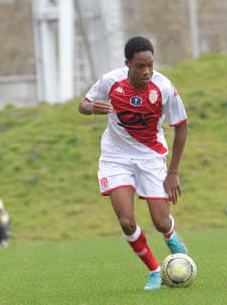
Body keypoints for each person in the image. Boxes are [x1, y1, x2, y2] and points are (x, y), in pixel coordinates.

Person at [79, 36, 189, 290]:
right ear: (127, 63)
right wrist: (91, 108)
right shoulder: (111, 81)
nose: (147, 71)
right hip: (116, 158)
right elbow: (82, 104)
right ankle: (154, 271)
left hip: (151, 158)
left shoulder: (164, 88)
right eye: (140, 66)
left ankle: (171, 237)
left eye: (150, 65)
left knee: (161, 222)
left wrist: (173, 172)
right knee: (127, 221)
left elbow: (181, 127)